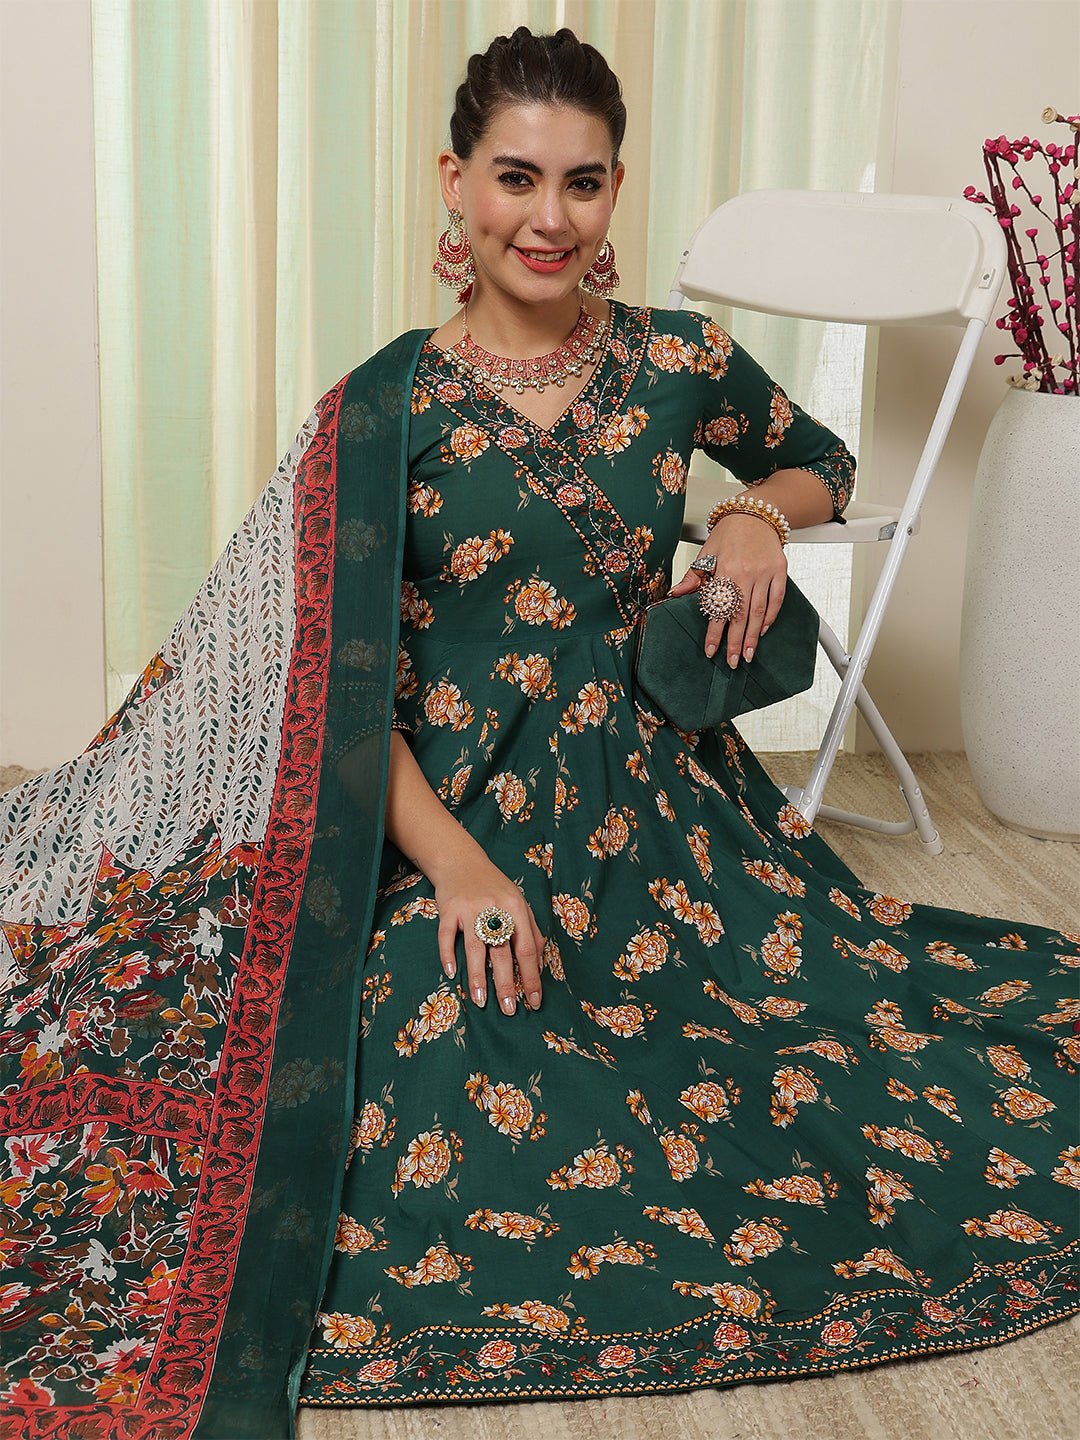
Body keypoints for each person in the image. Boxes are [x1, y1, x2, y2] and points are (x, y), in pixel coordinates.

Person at [0, 26, 1075, 1439]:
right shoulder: (383, 408)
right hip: (445, 809)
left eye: (583, 180)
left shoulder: (680, 358)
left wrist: (750, 517)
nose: (548, 217)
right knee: (425, 1048)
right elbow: (335, 700)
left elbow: (823, 460)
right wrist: (454, 868)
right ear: (454, 182)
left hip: (666, 812)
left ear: (617, 188)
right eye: (516, 177)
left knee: (803, 1049)